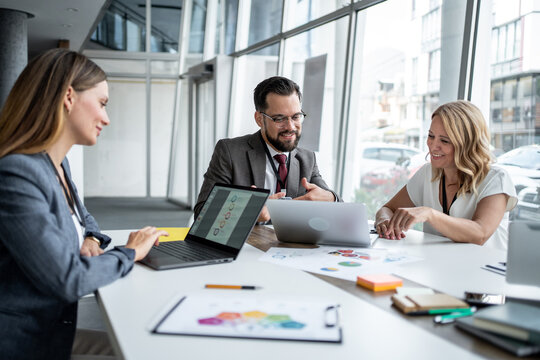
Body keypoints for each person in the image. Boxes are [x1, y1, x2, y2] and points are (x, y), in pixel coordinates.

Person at [0, 49, 168, 359]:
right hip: (24, 344)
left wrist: (90, 236)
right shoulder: (17, 174)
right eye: (102, 103)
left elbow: (82, 216)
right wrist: (130, 252)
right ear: (68, 96)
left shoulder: (57, 166)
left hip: (51, 330)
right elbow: (68, 279)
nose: (106, 117)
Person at [194, 76, 340, 222]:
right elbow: (202, 214)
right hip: (247, 243)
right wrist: (246, 213)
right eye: (279, 119)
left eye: (296, 117)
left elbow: (339, 209)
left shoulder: (307, 159)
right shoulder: (230, 152)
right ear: (259, 119)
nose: (290, 127)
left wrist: (331, 198)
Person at [375, 100, 517, 250]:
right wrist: (384, 221)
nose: (433, 145)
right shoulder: (427, 173)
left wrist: (429, 214)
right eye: (431, 136)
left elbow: (480, 233)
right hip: (440, 268)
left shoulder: (496, 179)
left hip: (486, 270)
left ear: (467, 144)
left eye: (444, 140)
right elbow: (387, 209)